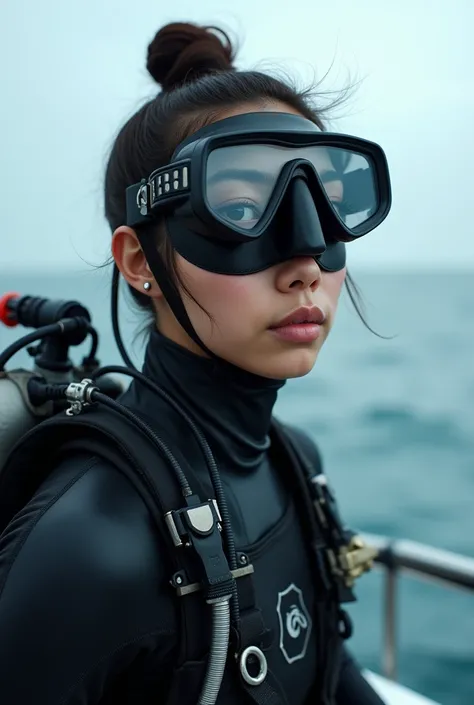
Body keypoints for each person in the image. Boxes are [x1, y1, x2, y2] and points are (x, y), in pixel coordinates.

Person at [0, 20, 391, 705]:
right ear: (140, 261)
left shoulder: (295, 460)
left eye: (326, 202)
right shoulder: (90, 546)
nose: (306, 260)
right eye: (240, 205)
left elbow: (333, 670)